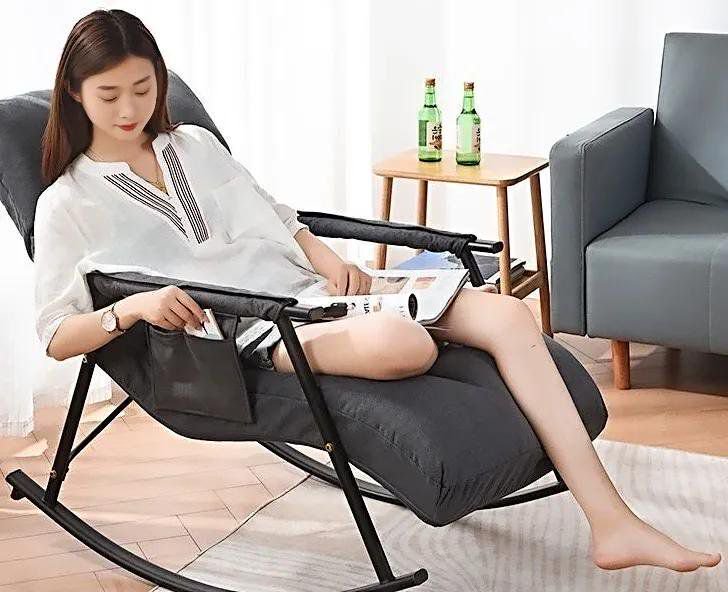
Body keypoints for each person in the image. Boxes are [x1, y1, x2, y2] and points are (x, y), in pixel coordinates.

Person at [35, 8, 721, 574]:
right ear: (74, 91)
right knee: (402, 342)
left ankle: (612, 520)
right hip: (250, 338)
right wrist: (133, 307)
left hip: (313, 293)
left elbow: (274, 214)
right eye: (110, 95)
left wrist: (327, 257)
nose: (131, 108)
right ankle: (407, 334)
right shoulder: (68, 203)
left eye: (144, 88)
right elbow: (57, 335)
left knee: (508, 316)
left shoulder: (191, 145)